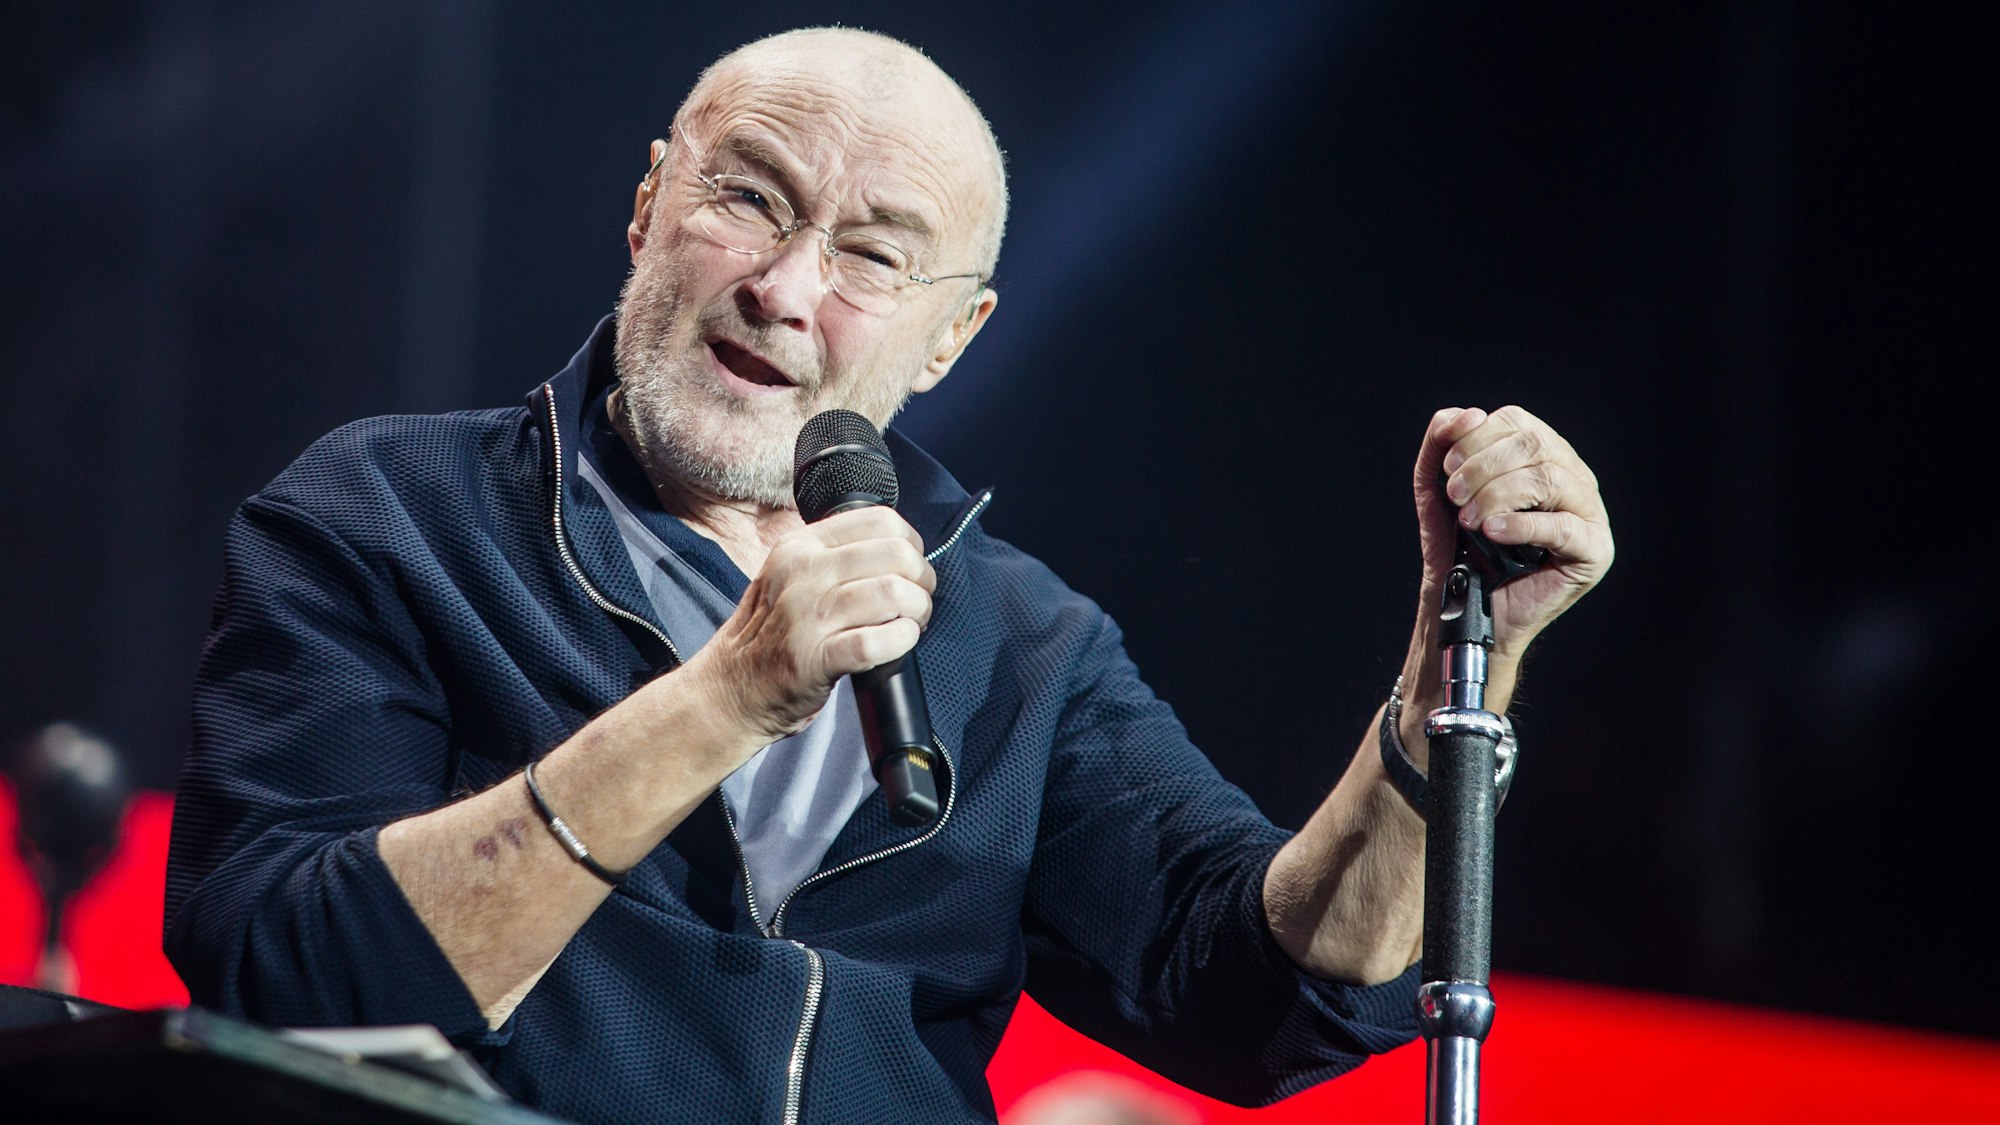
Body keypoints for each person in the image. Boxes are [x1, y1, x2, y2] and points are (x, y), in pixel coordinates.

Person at [165, 26, 1613, 1125]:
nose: (788, 288)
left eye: (871, 255)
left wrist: (1451, 672)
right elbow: (286, 964)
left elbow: (1270, 994)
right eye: (748, 199)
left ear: (950, 340)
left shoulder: (1023, 642)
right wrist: (731, 693)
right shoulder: (391, 514)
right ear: (648, 206)